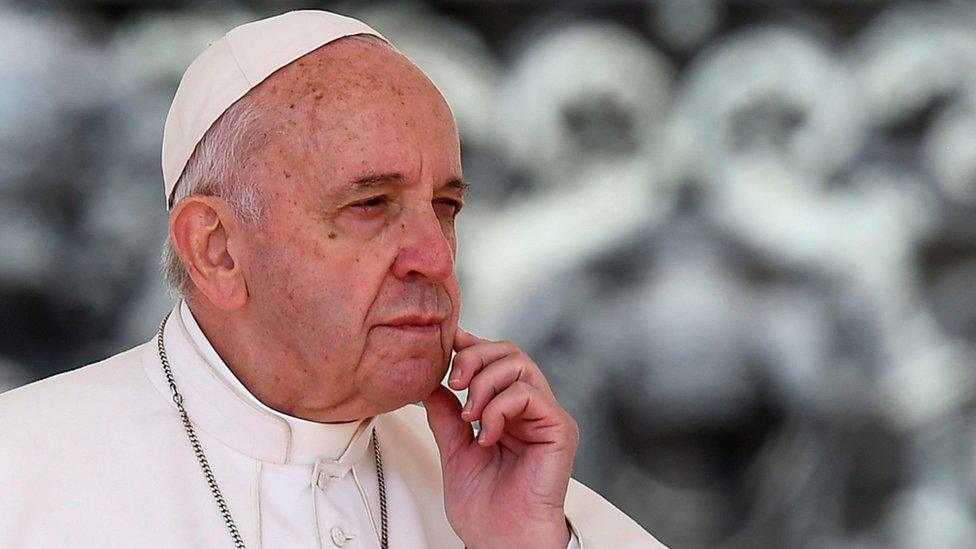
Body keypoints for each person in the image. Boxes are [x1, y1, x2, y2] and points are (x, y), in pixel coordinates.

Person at [0, 10, 664, 548]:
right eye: (370, 205)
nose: (434, 256)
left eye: (446, 207)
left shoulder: (525, 504)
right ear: (218, 249)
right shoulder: (20, 475)